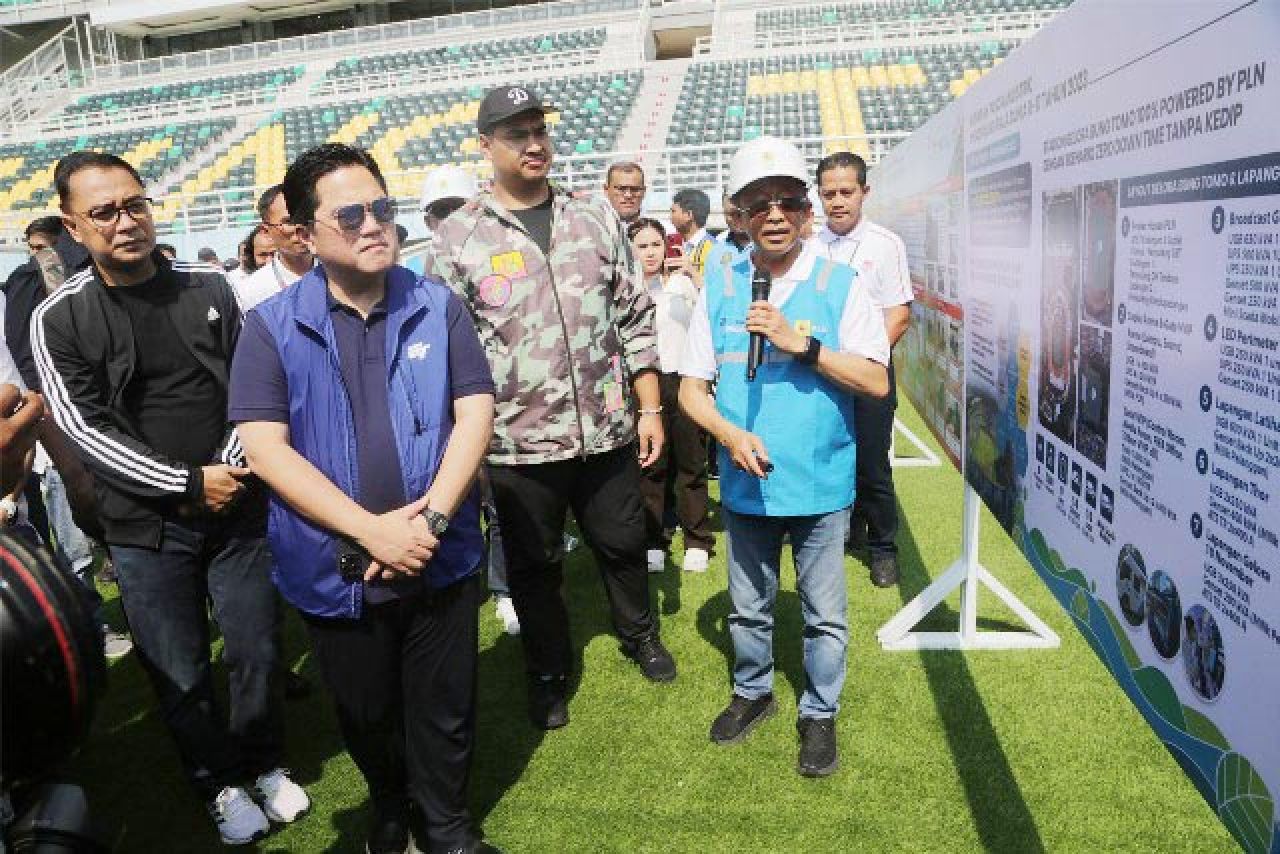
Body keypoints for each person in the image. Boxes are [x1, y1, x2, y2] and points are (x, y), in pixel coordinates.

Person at [31, 151, 307, 845]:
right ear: (73, 224)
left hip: (237, 507)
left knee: (256, 648)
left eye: (136, 204)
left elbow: (255, 390)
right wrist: (186, 483)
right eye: (104, 212)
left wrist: (230, 471)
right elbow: (82, 429)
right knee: (179, 669)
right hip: (143, 528)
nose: (126, 222)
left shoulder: (209, 285)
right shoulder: (58, 317)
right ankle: (216, 783)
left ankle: (264, 763)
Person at [231, 143, 499, 854]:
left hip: (440, 553)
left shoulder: (438, 304)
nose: (373, 224)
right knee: (366, 710)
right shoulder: (269, 326)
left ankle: (446, 828)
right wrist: (371, 533)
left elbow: (474, 413)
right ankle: (389, 803)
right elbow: (265, 450)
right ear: (304, 230)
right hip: (336, 566)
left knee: (444, 707)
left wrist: (434, 518)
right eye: (350, 214)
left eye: (382, 208)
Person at [426, 84, 676, 731]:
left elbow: (634, 318)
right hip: (516, 445)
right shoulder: (458, 240)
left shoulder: (593, 218)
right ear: (486, 146)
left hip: (606, 431)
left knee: (622, 543)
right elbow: (444, 355)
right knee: (535, 569)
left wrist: (649, 409)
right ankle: (547, 671)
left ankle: (639, 633)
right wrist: (466, 447)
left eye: (539, 129)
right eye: (517, 134)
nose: (534, 143)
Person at [678, 137, 889, 777]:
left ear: (806, 211)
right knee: (748, 605)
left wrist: (805, 345)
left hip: (822, 485)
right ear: (738, 213)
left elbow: (877, 380)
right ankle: (754, 692)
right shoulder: (719, 282)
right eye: (757, 203)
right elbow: (692, 388)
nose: (773, 215)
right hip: (746, 485)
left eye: (787, 202)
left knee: (825, 615)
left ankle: (819, 713)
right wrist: (728, 434)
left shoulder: (840, 283)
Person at [420, 165, 520, 635]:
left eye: (455, 208)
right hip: (444, 410)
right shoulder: (413, 275)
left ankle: (504, 588)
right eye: (438, 212)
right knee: (454, 502)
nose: (448, 219)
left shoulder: (503, 251)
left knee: (499, 504)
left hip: (497, 407)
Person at [812, 151, 913, 587]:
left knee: (873, 465)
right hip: (823, 376)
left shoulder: (885, 245)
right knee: (831, 457)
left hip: (869, 378)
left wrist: (864, 361)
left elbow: (899, 316)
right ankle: (844, 532)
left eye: (846, 192)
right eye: (828, 193)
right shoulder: (808, 246)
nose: (837, 201)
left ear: (864, 192)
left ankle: (883, 547)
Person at [627, 217, 713, 574]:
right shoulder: (625, 289)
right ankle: (654, 539)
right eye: (642, 245)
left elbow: (713, 314)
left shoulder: (682, 285)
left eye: (656, 245)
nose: (650, 252)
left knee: (691, 462)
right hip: (643, 384)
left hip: (683, 380)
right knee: (651, 466)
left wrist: (695, 277)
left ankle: (697, 539)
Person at [232, 185, 316, 312]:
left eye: (304, 217)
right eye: (288, 222)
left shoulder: (340, 273)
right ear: (266, 230)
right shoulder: (251, 292)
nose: (300, 227)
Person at [670, 188, 715, 276]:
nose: (670, 217)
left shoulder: (713, 250)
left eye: (673, 211)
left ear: (689, 215)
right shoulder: (674, 244)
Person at [604, 161, 646, 225]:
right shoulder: (592, 228)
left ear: (644, 191)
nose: (628, 195)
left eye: (635, 189)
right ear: (606, 190)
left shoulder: (657, 231)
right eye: (621, 189)